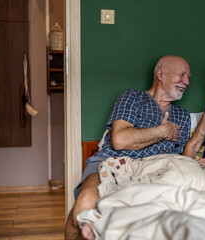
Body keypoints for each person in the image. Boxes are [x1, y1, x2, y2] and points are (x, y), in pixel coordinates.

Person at [66, 55, 192, 240]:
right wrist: (162, 132)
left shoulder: (182, 116)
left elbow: (179, 159)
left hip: (152, 172)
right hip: (109, 163)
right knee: (83, 208)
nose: (186, 82)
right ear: (161, 74)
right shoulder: (132, 97)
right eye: (182, 75)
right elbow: (120, 140)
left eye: (189, 77)